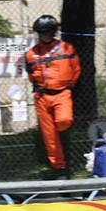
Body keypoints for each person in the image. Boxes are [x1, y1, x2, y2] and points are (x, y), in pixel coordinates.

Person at [25, 14, 81, 180]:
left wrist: (70, 84)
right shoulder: (31, 54)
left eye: (47, 32)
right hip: (42, 96)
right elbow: (30, 75)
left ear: (53, 32)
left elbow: (76, 69)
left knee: (63, 121)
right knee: (49, 136)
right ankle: (60, 168)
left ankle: (63, 139)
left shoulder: (66, 48)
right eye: (41, 33)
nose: (44, 36)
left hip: (62, 93)